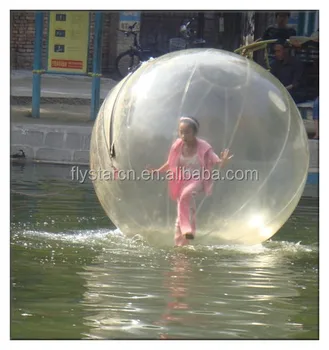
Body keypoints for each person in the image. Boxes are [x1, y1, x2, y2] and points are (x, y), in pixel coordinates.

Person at [147, 117, 233, 246]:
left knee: (185, 196)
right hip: (181, 181)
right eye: (181, 132)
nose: (183, 135)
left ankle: (187, 229)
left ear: (194, 132)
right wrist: (157, 171)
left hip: (197, 179)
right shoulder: (177, 146)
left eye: (187, 132)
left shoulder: (204, 147)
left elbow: (216, 161)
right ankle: (181, 245)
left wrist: (223, 161)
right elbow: (170, 163)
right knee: (185, 211)